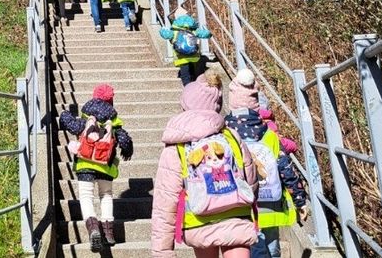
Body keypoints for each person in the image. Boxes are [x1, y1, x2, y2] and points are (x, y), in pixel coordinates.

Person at [152, 71, 259, 258]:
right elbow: (250, 177)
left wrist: (162, 251)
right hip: (236, 214)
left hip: (199, 218)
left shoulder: (176, 146)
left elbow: (165, 201)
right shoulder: (231, 136)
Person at [225, 70, 309, 258]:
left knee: (255, 246)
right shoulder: (269, 135)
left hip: (244, 203)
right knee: (272, 245)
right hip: (272, 203)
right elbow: (286, 168)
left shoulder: (227, 136)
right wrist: (300, 200)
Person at [60, 84, 134, 252]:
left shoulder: (86, 119)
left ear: (93, 98)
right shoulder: (114, 124)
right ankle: (108, 233)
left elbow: (71, 125)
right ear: (111, 101)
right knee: (106, 195)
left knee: (86, 196)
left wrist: (64, 115)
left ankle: (93, 227)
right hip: (105, 166)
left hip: (85, 165)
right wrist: (127, 151)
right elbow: (125, 141)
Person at [160, 8, 212, 85]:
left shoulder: (175, 30)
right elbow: (206, 34)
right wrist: (207, 32)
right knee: (194, 72)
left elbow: (166, 35)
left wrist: (162, 30)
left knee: (185, 74)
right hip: (194, 55)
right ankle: (195, 84)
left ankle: (187, 87)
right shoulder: (194, 29)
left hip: (181, 56)